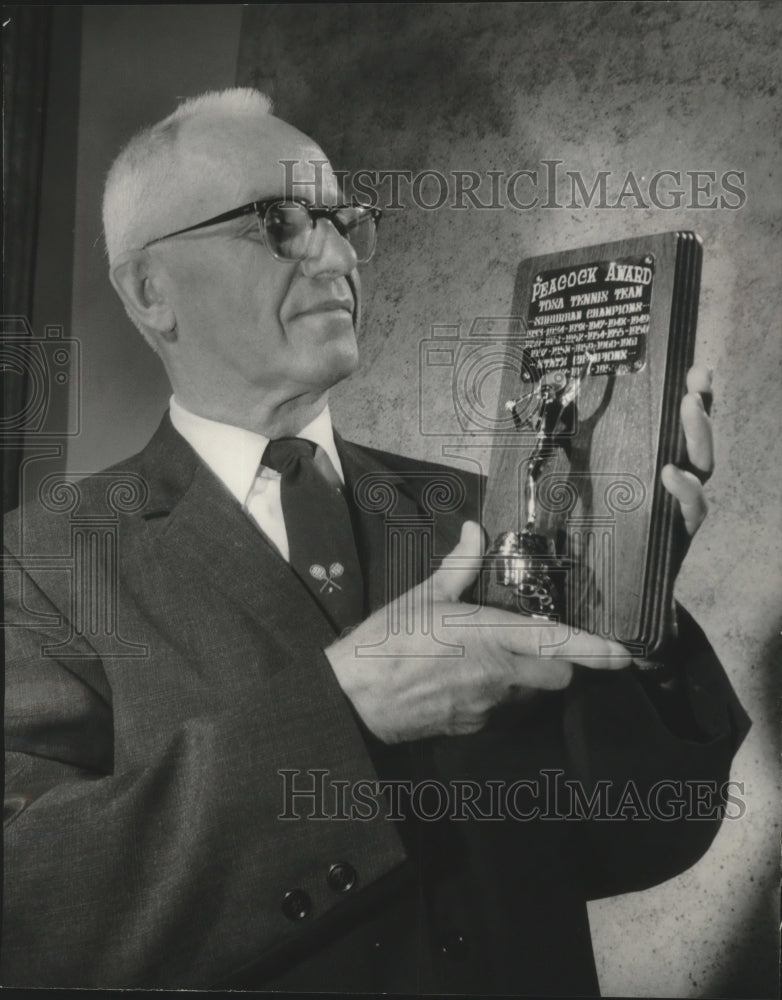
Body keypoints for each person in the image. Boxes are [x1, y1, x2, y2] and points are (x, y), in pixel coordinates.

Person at [3, 88, 749, 993]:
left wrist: (638, 596)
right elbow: (33, 908)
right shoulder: (40, 564)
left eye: (343, 219)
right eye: (276, 223)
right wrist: (349, 709)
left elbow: (629, 842)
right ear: (149, 290)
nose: (337, 254)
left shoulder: (480, 510)